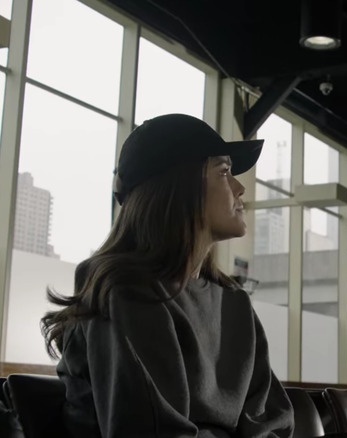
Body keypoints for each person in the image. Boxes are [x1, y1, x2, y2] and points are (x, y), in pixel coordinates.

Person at [41, 114, 294, 438]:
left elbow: (272, 423)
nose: (240, 187)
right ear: (180, 185)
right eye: (224, 171)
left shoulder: (234, 304)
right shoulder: (124, 291)